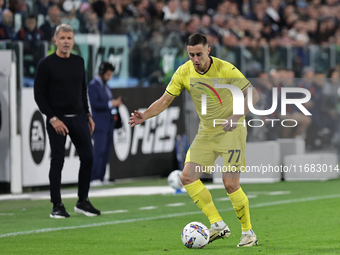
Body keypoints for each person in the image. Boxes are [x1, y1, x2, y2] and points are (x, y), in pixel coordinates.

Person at [129, 33, 259, 247]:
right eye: (191, 55)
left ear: (208, 50)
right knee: (187, 177)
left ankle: (248, 233)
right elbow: (164, 101)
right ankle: (217, 224)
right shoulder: (183, 72)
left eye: (199, 54)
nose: (195, 59)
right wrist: (145, 115)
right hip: (207, 132)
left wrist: (236, 116)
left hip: (231, 132)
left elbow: (253, 95)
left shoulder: (226, 69)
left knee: (230, 184)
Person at [34, 24, 100, 218]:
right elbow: (39, 95)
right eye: (62, 38)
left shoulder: (79, 61)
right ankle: (57, 205)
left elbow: (82, 90)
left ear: (73, 41)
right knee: (58, 161)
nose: (66, 41)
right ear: (55, 40)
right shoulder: (45, 64)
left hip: (79, 117)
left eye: (69, 38)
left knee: (88, 157)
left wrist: (87, 115)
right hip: (57, 120)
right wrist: (52, 118)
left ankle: (83, 201)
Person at [88, 62, 122, 186]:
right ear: (102, 73)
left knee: (106, 151)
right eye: (108, 74)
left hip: (108, 123)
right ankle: (94, 178)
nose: (109, 77)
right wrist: (111, 104)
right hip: (99, 123)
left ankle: (101, 177)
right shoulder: (93, 85)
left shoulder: (105, 86)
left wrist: (114, 104)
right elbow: (94, 104)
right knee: (99, 151)